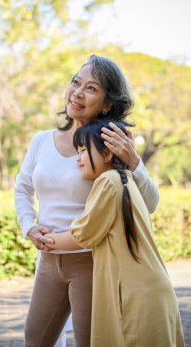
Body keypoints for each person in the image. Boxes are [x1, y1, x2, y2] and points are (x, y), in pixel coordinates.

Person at [14, 55, 159, 347]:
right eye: (75, 82)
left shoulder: (110, 143)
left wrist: (133, 161)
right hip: (48, 261)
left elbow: (150, 203)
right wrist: (29, 227)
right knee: (35, 339)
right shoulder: (41, 140)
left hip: (93, 263)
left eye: (91, 88)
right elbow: (22, 189)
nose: (78, 92)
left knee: (91, 342)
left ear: (107, 103)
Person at [45, 118, 185, 347]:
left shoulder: (108, 182)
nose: (77, 158)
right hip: (149, 290)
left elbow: (83, 235)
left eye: (82, 151)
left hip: (135, 295)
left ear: (108, 154)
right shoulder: (125, 178)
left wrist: (45, 240)